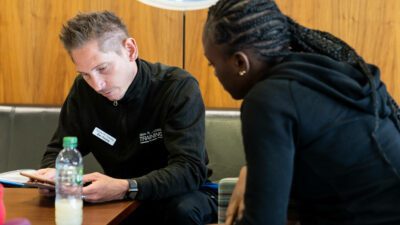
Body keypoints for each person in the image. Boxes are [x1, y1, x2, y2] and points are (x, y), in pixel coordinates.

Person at [202, 0, 400, 225]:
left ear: (240, 62)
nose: (216, 74)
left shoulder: (267, 98)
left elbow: (265, 219)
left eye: (213, 65)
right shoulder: (314, 73)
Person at [37, 11, 217, 225]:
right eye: (85, 74)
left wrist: (126, 187)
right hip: (116, 200)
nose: (97, 85)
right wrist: (55, 178)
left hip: (180, 195)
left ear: (130, 50)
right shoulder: (83, 92)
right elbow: (57, 152)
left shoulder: (177, 86)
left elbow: (189, 169)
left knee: (181, 211)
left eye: (102, 68)